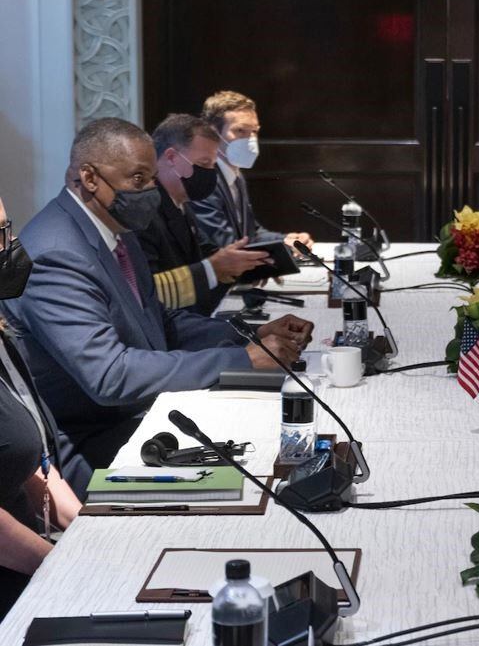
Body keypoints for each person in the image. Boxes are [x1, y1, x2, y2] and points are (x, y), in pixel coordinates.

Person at [0, 118, 314, 495]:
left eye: (151, 178)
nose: (151, 190)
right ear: (90, 177)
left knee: (274, 441)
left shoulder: (114, 228)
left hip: (140, 418)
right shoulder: (56, 253)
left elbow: (160, 325)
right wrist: (242, 359)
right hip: (91, 447)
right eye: (138, 179)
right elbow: (111, 376)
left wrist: (250, 334)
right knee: (250, 482)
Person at [0, 194, 82, 618]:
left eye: (6, 229)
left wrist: (88, 533)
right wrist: (61, 567)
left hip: (31, 560)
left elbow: (18, 458)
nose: (11, 245)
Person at [139, 113, 269, 315]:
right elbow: (148, 294)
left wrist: (244, 263)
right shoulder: (144, 212)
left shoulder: (181, 202)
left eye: (212, 165)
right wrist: (215, 268)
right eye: (203, 164)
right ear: (171, 157)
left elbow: (203, 251)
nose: (210, 173)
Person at [191, 90, 313, 250]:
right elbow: (224, 244)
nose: (250, 140)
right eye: (240, 131)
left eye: (254, 131)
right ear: (213, 133)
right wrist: (281, 247)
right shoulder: (202, 181)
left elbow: (251, 233)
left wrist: (287, 240)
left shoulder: (236, 176)